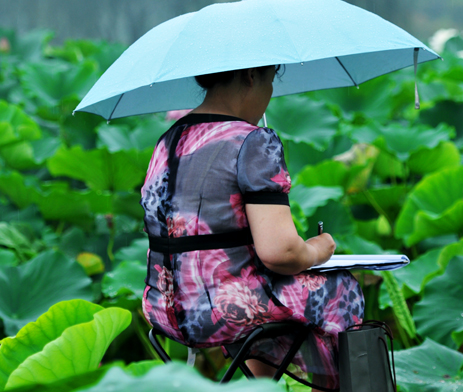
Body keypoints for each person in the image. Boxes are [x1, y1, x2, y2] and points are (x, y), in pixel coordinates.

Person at [141, 64, 365, 391]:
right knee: (339, 287)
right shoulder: (252, 140)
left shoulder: (167, 141)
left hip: (163, 308)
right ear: (250, 76)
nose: (270, 95)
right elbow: (281, 252)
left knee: (260, 288)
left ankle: (260, 386)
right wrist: (318, 248)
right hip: (219, 312)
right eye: (271, 81)